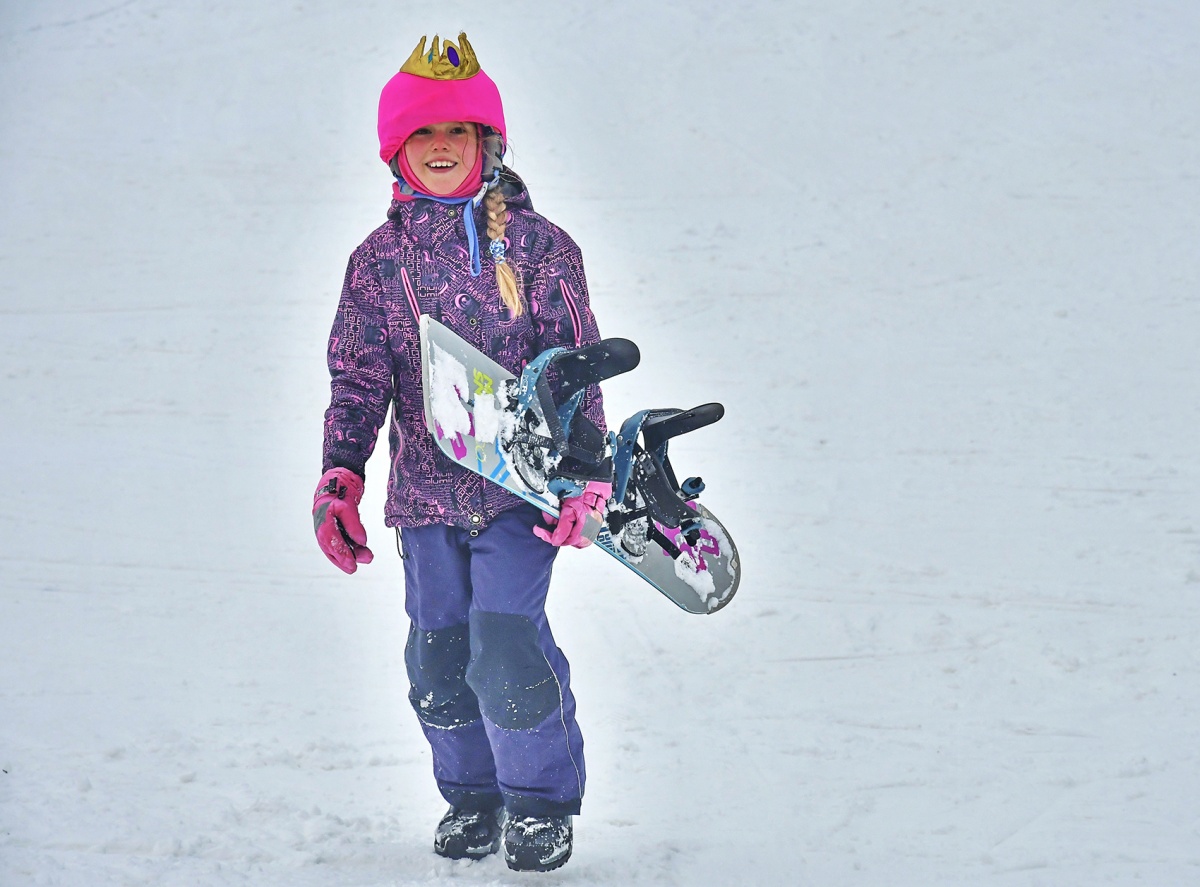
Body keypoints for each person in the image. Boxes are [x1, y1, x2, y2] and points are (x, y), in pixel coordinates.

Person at [311, 33, 611, 873]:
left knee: (506, 649)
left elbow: (576, 362)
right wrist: (341, 475)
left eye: (459, 130)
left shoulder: (542, 249)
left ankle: (539, 803)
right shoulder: (376, 264)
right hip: (424, 498)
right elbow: (358, 376)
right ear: (397, 150)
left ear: (488, 142)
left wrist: (585, 478)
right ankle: (473, 795)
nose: (441, 145)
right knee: (438, 660)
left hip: (519, 494)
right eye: (423, 133)